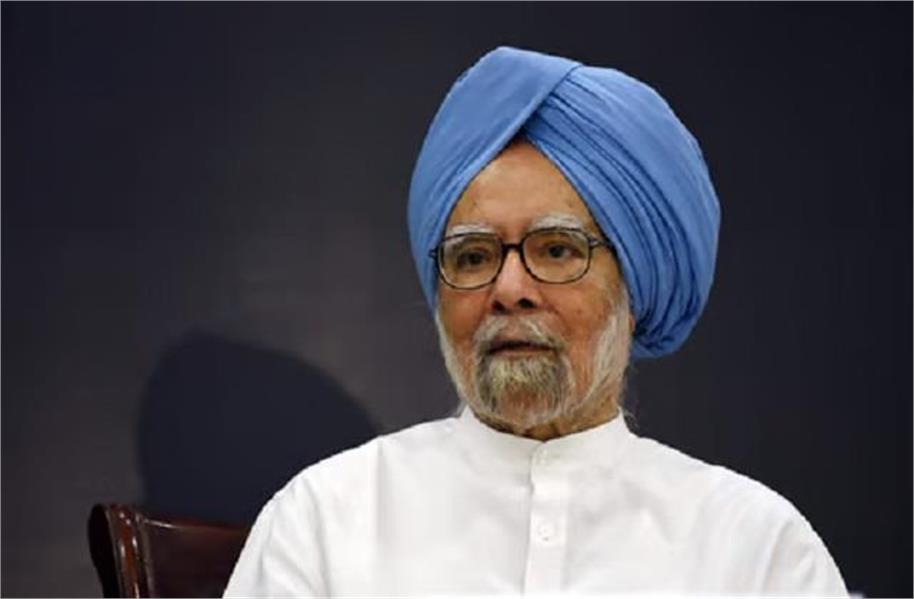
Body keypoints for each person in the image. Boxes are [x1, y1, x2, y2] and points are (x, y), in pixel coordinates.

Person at [224, 47, 846, 596]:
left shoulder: (755, 549)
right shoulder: (325, 522)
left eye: (556, 250)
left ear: (634, 290)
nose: (510, 290)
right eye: (474, 256)